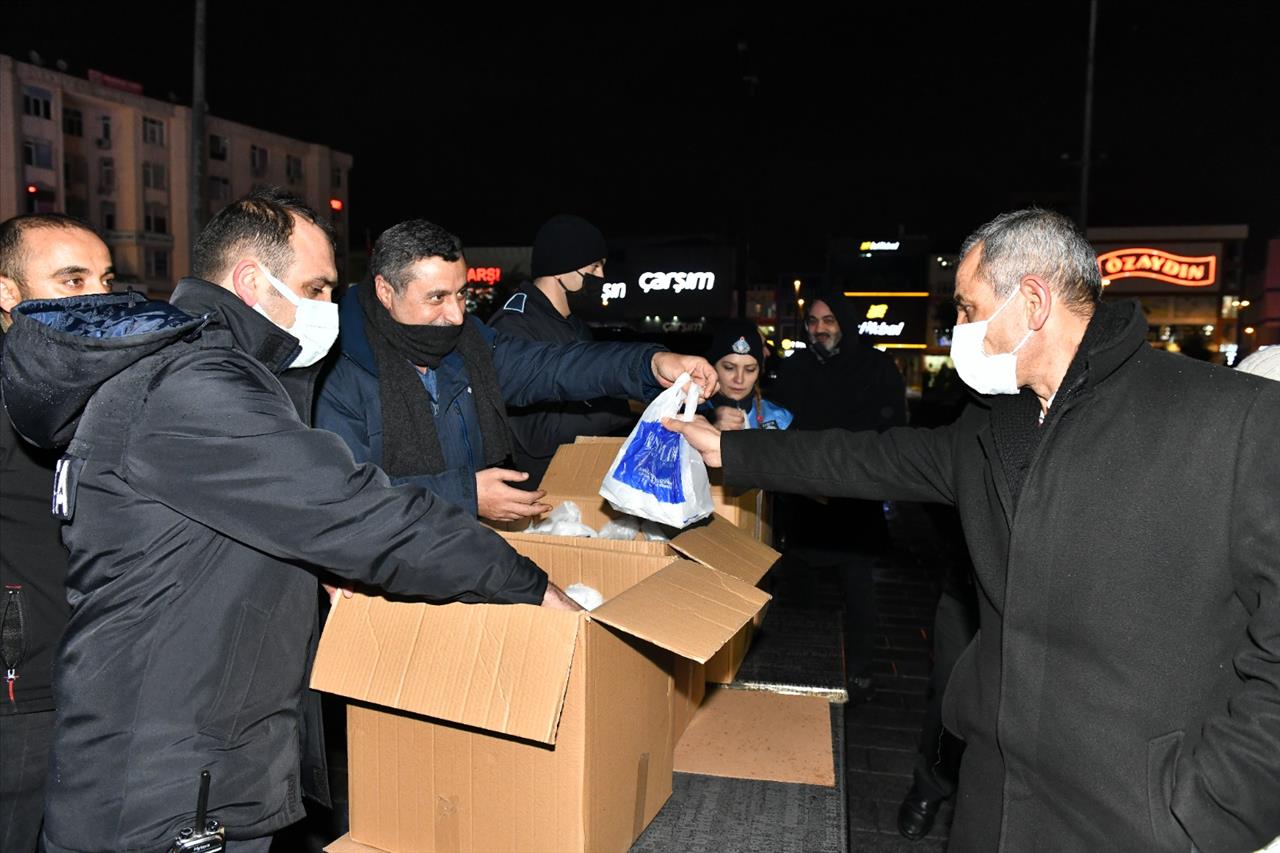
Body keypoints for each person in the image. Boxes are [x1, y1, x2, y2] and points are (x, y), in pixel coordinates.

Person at [666, 208, 1280, 853]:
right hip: (993, 795)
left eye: (966, 308)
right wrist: (726, 452)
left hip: (1136, 816)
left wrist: (1213, 808)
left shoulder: (1232, 424)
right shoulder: (994, 427)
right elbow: (871, 458)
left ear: (1033, 301)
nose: (956, 328)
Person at [0, 188, 581, 853]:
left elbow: (233, 536)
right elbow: (354, 510)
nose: (330, 309)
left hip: (192, 770)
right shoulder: (192, 387)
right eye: (316, 287)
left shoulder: (210, 375)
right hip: (167, 790)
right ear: (253, 281)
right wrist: (527, 585)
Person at [316, 219, 718, 523]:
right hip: (387, 570)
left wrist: (648, 363)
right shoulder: (338, 370)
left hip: (463, 546)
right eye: (436, 297)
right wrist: (465, 495)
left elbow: (553, 367)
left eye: (461, 294)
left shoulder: (469, 344)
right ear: (386, 291)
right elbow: (342, 499)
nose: (456, 315)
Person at [0, 214, 114, 853]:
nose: (98, 300)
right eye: (72, 281)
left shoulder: (99, 390)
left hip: (91, 679)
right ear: (8, 295)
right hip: (18, 692)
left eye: (104, 280)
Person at [770, 290, 907, 698]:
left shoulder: (876, 367)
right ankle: (804, 670)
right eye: (812, 322)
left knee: (858, 591)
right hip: (803, 506)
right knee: (801, 594)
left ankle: (859, 670)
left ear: (844, 324)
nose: (819, 329)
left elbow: (892, 429)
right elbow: (778, 427)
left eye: (828, 321)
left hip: (853, 505)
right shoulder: (794, 368)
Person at [487, 214, 635, 487]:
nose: (601, 276)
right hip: (535, 490)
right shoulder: (514, 326)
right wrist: (622, 408)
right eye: (593, 266)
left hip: (571, 478)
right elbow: (537, 434)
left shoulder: (574, 325)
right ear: (561, 268)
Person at [699, 317, 792, 431]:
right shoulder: (687, 412)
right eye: (729, 368)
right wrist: (707, 422)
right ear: (712, 367)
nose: (739, 379)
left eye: (750, 369)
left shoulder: (780, 418)